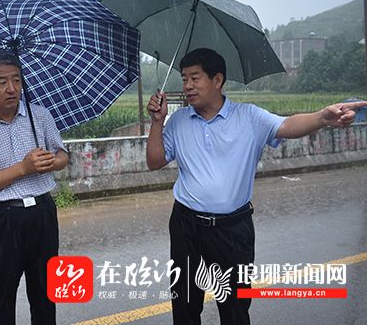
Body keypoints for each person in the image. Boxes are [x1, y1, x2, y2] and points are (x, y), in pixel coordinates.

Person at [146, 48, 367, 325]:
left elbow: (286, 124)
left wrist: (322, 118)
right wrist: (157, 122)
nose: (187, 86)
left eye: (195, 78)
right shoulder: (178, 121)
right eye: (184, 79)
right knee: (185, 303)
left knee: (235, 307)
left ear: (217, 80)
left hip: (232, 229)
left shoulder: (248, 117)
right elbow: (154, 162)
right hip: (185, 225)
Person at [0, 49, 69, 325]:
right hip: (3, 219)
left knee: (45, 295)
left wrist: (51, 162)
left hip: (43, 213)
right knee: (0, 295)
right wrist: (23, 168)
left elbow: (62, 155)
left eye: (17, 80)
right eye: (2, 82)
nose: (12, 88)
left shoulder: (40, 116)